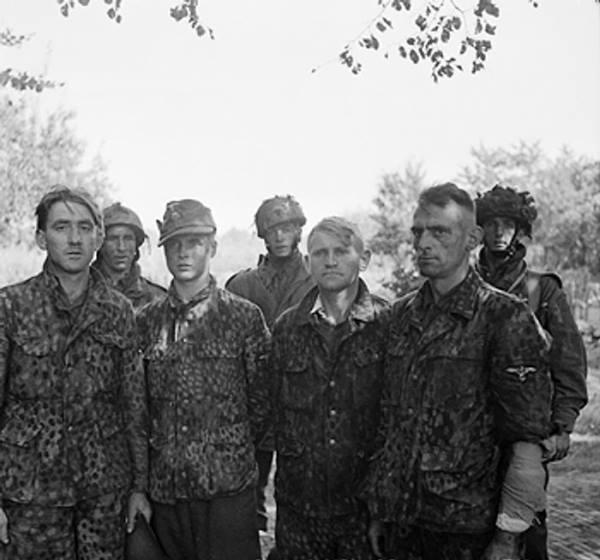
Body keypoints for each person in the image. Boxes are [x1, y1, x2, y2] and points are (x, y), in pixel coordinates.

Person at [366, 183, 553, 560]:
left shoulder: (505, 317)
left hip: (468, 531)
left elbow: (527, 443)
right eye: (418, 232)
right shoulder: (399, 317)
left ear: (472, 238)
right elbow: (388, 423)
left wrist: (508, 534)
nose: (423, 243)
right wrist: (379, 510)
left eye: (439, 231)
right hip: (402, 526)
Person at [0, 186, 150, 560]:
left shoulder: (118, 311)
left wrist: (139, 487)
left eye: (85, 228)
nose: (74, 238)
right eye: (62, 227)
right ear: (40, 237)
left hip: (102, 492)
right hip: (30, 494)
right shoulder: (11, 306)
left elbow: (134, 407)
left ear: (98, 237)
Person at [137, 199, 270, 560]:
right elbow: (138, 409)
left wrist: (225, 452)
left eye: (194, 243)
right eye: (174, 244)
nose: (183, 253)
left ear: (212, 247)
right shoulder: (146, 322)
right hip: (167, 490)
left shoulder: (243, 318)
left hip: (226, 492)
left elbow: (262, 406)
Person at [475, 184, 588, 560]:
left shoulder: (542, 289)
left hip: (525, 432)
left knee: (524, 533)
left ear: (520, 228)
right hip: (468, 434)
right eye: (490, 224)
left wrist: (562, 426)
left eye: (507, 224)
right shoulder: (463, 283)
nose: (498, 232)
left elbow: (568, 362)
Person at [270, 217, 389, 560]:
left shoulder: (388, 324)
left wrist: (383, 506)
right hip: (300, 510)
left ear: (363, 259)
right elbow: (274, 413)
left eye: (341, 251)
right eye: (320, 253)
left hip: (363, 510)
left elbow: (398, 420)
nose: (330, 260)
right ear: (307, 263)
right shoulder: (287, 328)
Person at [226, 194, 314, 534]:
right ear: (262, 234)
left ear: (298, 232)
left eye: (287, 228)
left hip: (305, 400)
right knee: (250, 488)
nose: (280, 236)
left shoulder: (318, 279)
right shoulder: (243, 284)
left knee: (303, 492)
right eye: (272, 229)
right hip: (254, 400)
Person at [92, 202, 166, 309]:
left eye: (128, 238)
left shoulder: (157, 299)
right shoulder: (79, 292)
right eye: (113, 238)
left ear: (136, 244)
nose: (121, 247)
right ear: (101, 243)